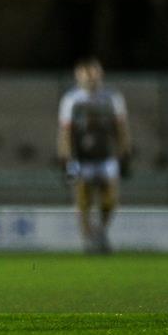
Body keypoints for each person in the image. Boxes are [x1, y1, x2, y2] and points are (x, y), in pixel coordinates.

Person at [57, 58, 131, 253]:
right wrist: (65, 158)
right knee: (83, 201)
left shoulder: (112, 98)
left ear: (100, 76)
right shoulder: (71, 99)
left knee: (110, 200)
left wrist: (125, 153)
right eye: (86, 76)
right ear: (78, 77)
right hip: (82, 158)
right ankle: (88, 238)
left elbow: (121, 129)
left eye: (94, 75)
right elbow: (65, 132)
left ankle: (101, 231)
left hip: (106, 156)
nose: (90, 80)